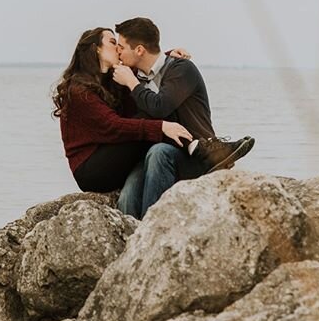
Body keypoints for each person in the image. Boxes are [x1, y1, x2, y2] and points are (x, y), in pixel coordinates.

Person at [112, 16, 255, 217]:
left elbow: (160, 106)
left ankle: (155, 231)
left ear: (139, 50)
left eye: (121, 47)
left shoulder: (182, 69)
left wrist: (131, 83)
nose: (118, 51)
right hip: (156, 153)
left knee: (159, 153)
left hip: (196, 155)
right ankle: (135, 243)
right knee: (127, 197)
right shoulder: (136, 77)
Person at [52, 27, 193, 218]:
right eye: (112, 43)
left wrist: (165, 58)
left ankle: (143, 218)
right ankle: (197, 152)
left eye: (120, 45)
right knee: (152, 119)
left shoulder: (110, 80)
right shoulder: (79, 90)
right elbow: (114, 126)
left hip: (113, 153)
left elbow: (141, 62)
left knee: (147, 114)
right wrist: (162, 126)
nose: (119, 49)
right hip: (91, 167)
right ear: (97, 49)